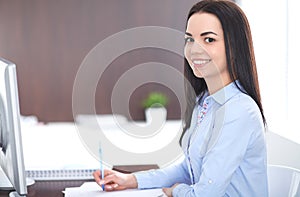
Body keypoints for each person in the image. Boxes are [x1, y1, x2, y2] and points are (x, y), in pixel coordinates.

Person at [93, 0, 268, 196]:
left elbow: (204, 193)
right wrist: (131, 180)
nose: (194, 50)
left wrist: (176, 191)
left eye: (208, 39)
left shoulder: (239, 110)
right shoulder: (205, 102)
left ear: (234, 46)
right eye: (189, 39)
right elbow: (189, 170)